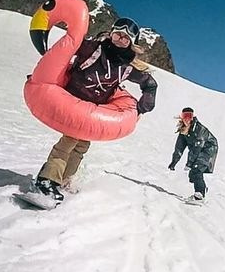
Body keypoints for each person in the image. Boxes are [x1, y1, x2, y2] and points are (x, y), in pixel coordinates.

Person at [35, 17, 158, 202]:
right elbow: (67, 47)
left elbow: (150, 84)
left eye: (125, 38)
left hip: (92, 109)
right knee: (69, 141)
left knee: (81, 145)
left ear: (131, 43)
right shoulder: (92, 48)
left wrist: (141, 108)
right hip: (71, 99)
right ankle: (46, 181)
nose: (120, 39)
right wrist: (47, 64)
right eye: (118, 34)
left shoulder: (127, 67)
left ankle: (63, 180)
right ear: (111, 34)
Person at [168, 107, 218, 201]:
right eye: (185, 116)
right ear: (181, 117)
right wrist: (173, 162)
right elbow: (179, 148)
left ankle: (199, 195)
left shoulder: (199, 129)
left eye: (189, 116)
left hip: (209, 148)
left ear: (192, 117)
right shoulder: (183, 131)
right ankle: (202, 188)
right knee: (192, 175)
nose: (187, 119)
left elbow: (196, 149)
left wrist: (189, 164)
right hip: (198, 150)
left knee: (196, 169)